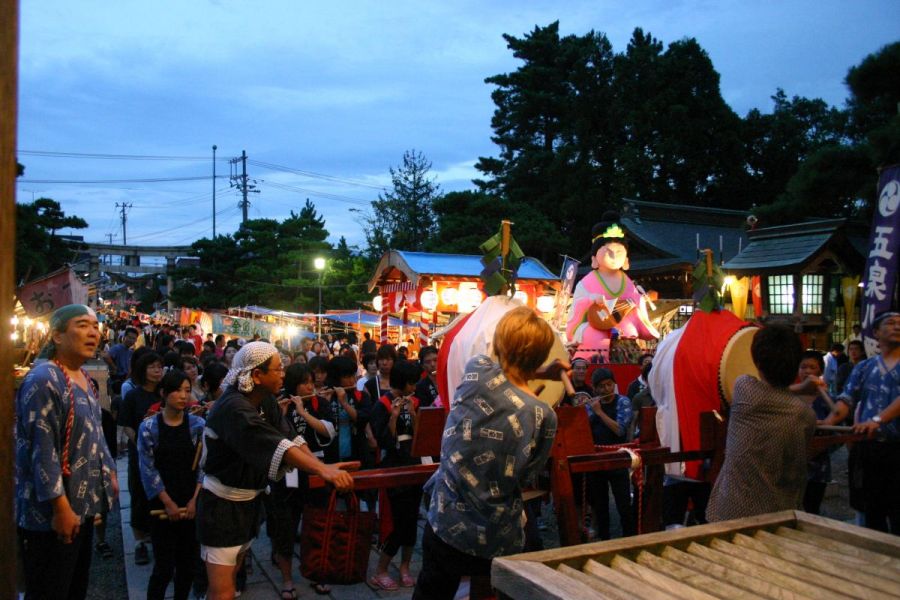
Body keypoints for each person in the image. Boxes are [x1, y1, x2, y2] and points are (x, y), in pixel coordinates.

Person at [413, 307, 567, 600]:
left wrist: (537, 371)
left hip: (447, 522)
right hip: (498, 535)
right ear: (543, 354)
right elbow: (528, 474)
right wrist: (544, 372)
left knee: (431, 591)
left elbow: (504, 373)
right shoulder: (544, 415)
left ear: (498, 344)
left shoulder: (477, 371)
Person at [196, 342, 353, 600]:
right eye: (278, 369)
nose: (283, 374)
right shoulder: (234, 407)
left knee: (232, 576)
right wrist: (323, 471)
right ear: (257, 375)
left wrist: (321, 467)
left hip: (248, 502)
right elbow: (277, 446)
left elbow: (291, 438)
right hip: (222, 507)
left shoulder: (265, 399)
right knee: (222, 591)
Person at [15, 304, 119, 600]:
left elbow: (96, 434)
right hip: (50, 515)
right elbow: (42, 449)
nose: (93, 332)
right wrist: (60, 507)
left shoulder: (84, 378)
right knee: (50, 589)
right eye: (82, 325)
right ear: (57, 335)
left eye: (96, 327)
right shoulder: (45, 378)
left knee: (75, 588)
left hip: (82, 508)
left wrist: (109, 472)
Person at [707, 325, 818, 522]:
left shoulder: (744, 389)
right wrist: (802, 388)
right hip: (780, 513)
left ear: (757, 361)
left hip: (731, 510)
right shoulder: (805, 415)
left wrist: (800, 388)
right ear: (795, 364)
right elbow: (778, 396)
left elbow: (768, 394)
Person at [825, 311, 900, 533]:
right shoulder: (864, 367)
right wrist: (826, 422)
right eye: (890, 322)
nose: (897, 326)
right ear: (876, 332)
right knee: (871, 511)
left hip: (898, 449)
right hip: (869, 449)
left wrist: (877, 420)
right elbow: (846, 400)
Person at [268, 363, 334, 597]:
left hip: (316, 469)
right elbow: (268, 436)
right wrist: (283, 415)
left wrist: (304, 412)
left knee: (316, 522)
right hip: (288, 472)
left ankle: (317, 572)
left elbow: (329, 431)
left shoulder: (320, 403)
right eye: (304, 382)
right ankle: (287, 580)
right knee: (286, 524)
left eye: (311, 380)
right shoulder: (277, 404)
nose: (310, 385)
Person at [138, 369, 205, 600]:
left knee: (187, 566)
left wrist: (195, 500)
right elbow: (147, 469)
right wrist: (167, 502)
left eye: (187, 390)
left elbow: (203, 466)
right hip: (162, 506)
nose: (183, 396)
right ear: (164, 394)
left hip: (190, 503)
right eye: (177, 390)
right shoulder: (148, 427)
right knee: (164, 567)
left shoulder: (198, 425)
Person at [370, 360, 424, 590]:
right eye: (412, 383)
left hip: (414, 463)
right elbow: (383, 441)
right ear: (402, 382)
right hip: (394, 465)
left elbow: (422, 434)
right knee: (399, 522)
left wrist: (412, 414)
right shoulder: (382, 404)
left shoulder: (416, 402)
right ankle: (380, 570)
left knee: (412, 521)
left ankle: (405, 566)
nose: (414, 388)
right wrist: (393, 417)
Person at [119, 351, 165, 565]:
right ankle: (139, 543)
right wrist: (140, 441)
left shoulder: (165, 394)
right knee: (139, 495)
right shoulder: (133, 396)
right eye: (152, 367)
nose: (157, 371)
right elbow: (126, 423)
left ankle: (157, 537)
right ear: (143, 370)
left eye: (159, 367)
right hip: (140, 454)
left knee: (159, 495)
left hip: (163, 453)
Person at [586, 368, 635, 539]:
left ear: (614, 384)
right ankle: (604, 539)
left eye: (609, 385)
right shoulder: (590, 406)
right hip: (597, 459)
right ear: (595, 389)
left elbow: (620, 430)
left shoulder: (623, 402)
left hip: (617, 458)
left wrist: (599, 412)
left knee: (623, 503)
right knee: (600, 505)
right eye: (601, 386)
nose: (606, 389)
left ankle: (630, 537)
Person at [794, 351, 834, 515]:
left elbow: (836, 425)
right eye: (803, 367)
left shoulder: (826, 398)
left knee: (812, 509)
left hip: (818, 466)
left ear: (820, 371)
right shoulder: (789, 396)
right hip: (792, 465)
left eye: (812, 367)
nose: (807, 371)